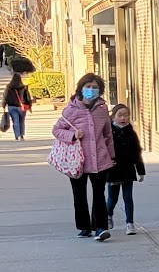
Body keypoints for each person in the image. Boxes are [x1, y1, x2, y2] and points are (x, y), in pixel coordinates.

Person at [53, 74, 116, 240]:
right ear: (81, 89)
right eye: (88, 87)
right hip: (76, 161)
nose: (91, 90)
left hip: (100, 159)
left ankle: (100, 227)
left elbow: (108, 134)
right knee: (79, 194)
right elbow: (57, 130)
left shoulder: (102, 110)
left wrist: (111, 156)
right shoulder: (71, 110)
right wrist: (73, 135)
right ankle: (84, 226)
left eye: (95, 88)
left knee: (99, 194)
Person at [107, 103, 146, 233]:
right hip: (113, 170)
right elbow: (102, 150)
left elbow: (137, 152)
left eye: (126, 115)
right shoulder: (108, 132)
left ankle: (130, 223)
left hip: (128, 169)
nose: (123, 118)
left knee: (128, 197)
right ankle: (108, 214)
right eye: (120, 115)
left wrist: (140, 171)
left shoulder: (131, 132)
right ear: (113, 117)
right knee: (113, 198)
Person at [3, 71, 32, 141]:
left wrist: (3, 105)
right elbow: (28, 97)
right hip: (22, 107)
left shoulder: (9, 87)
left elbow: (5, 97)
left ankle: (17, 136)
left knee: (15, 121)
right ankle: (22, 136)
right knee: (22, 121)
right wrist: (30, 106)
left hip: (11, 107)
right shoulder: (24, 87)